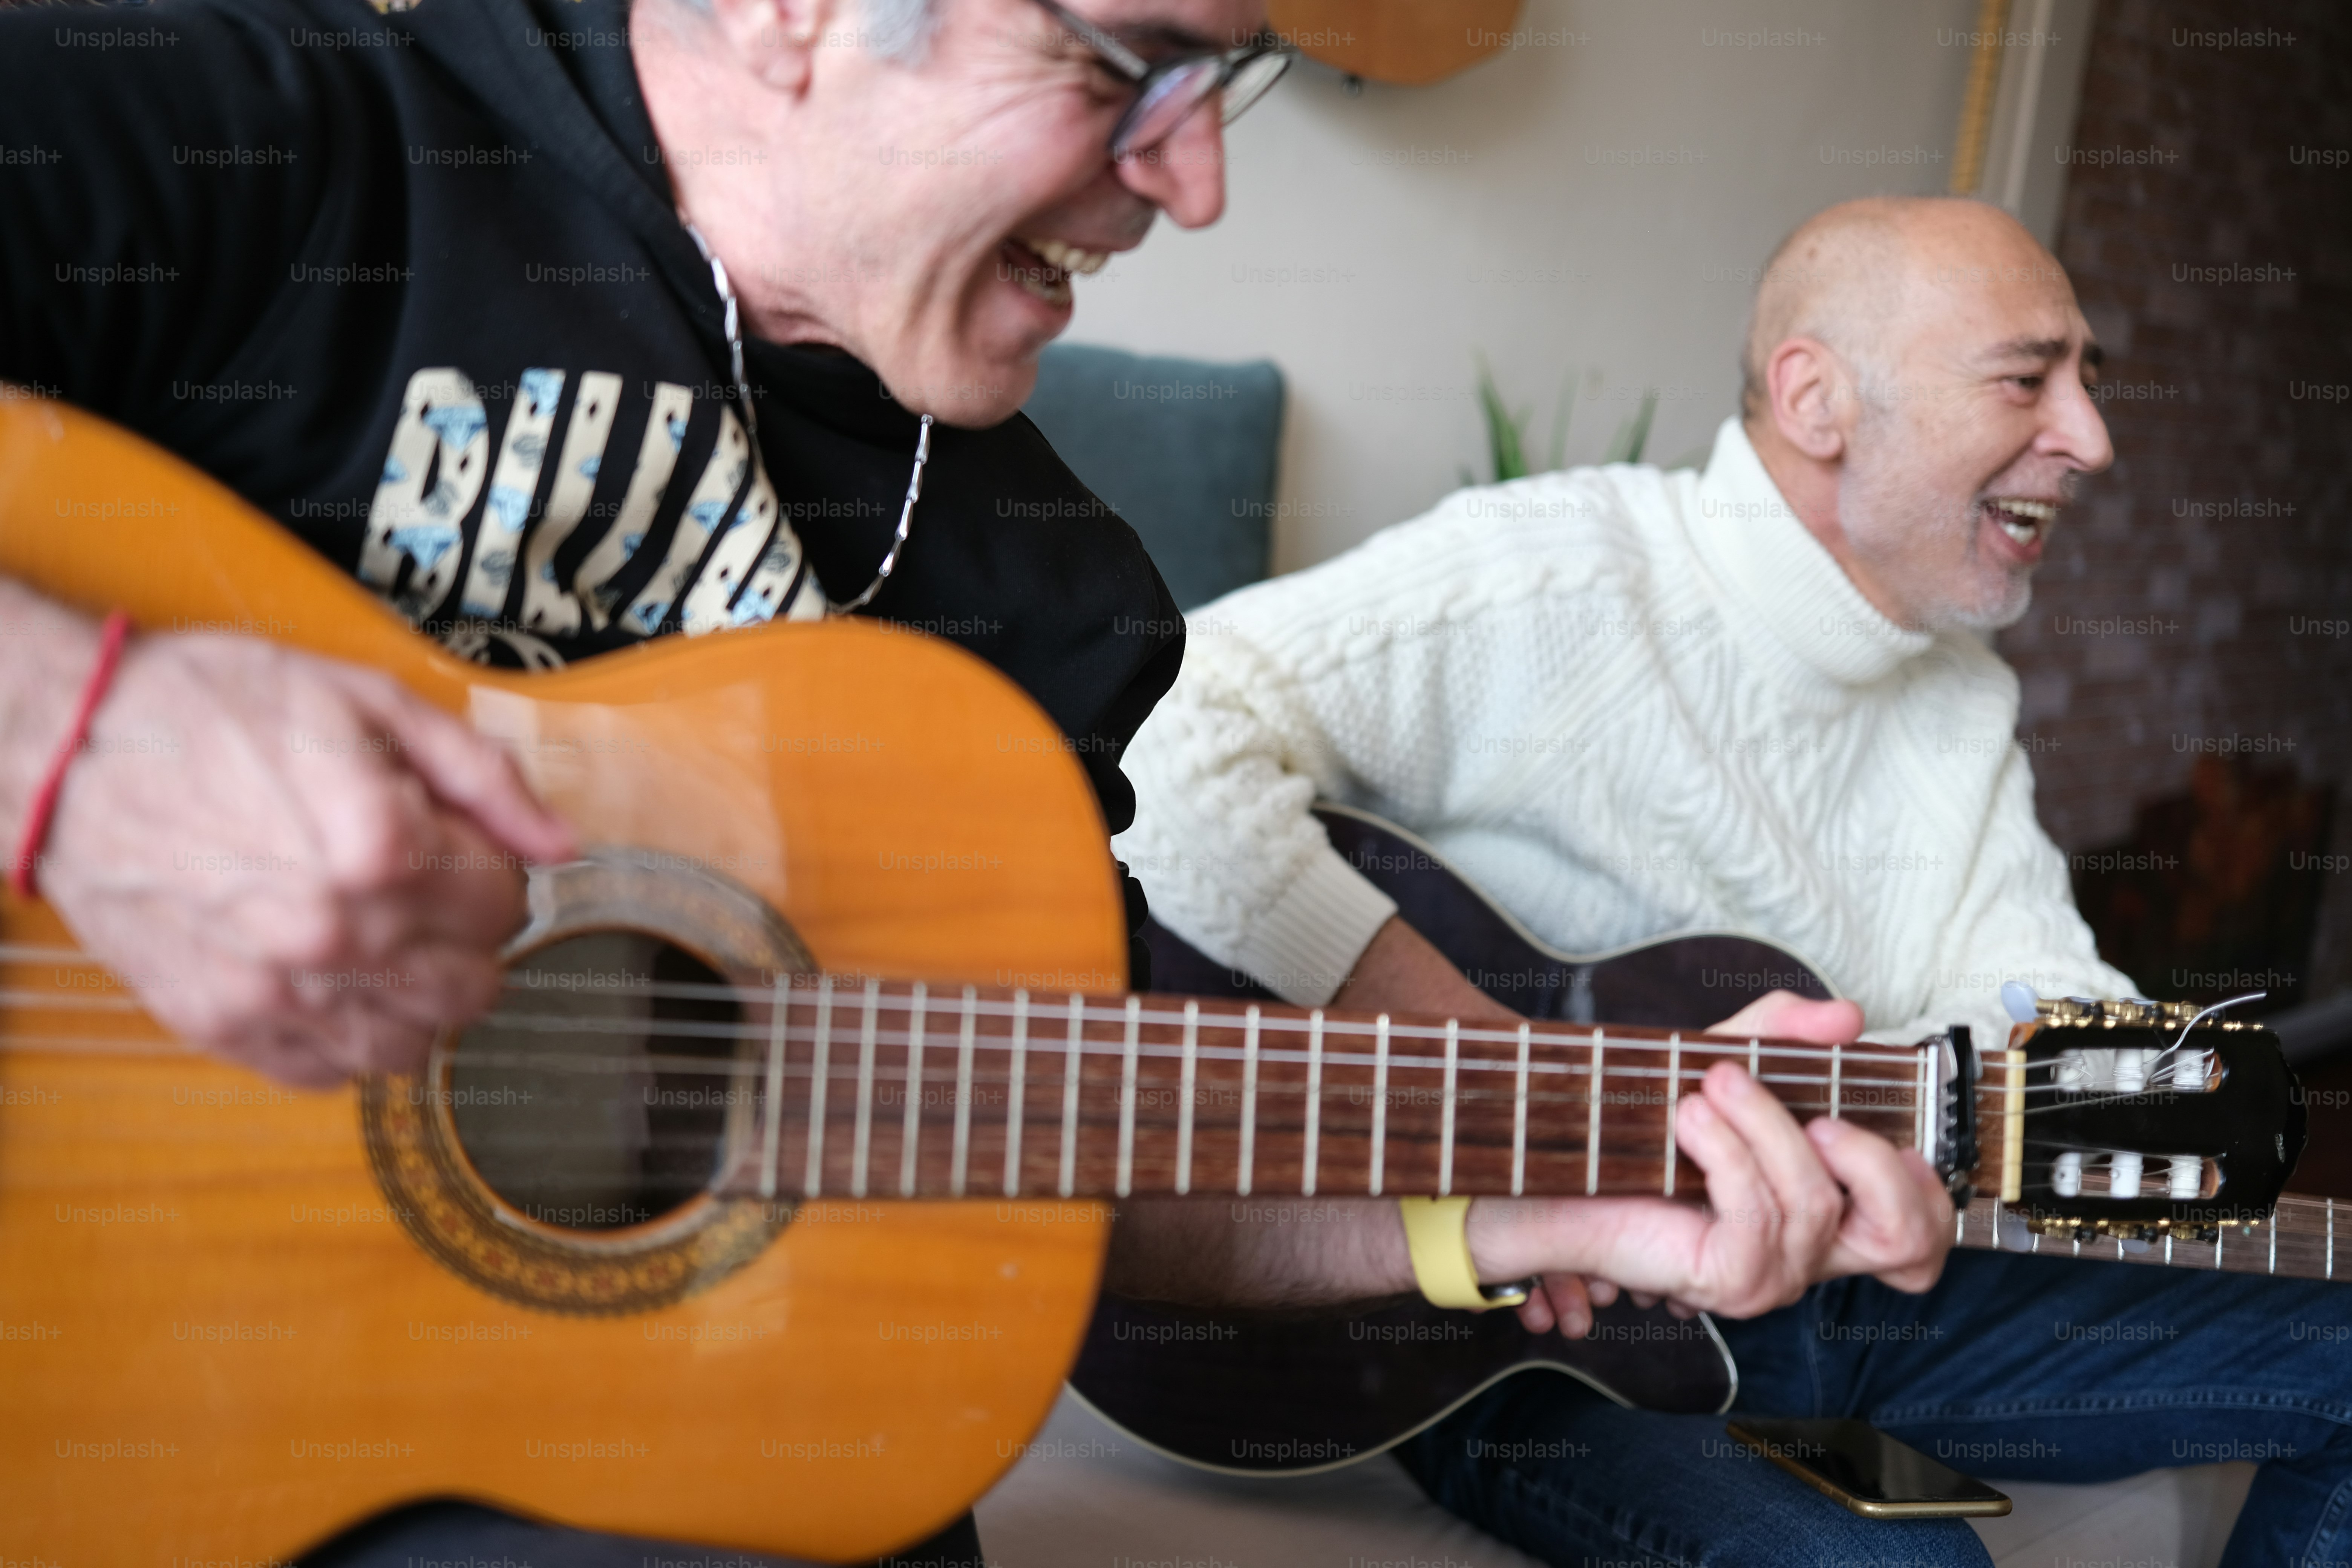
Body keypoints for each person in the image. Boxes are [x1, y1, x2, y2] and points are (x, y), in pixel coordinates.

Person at [2, 1, 1959, 1564]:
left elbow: (1054, 1141)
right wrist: (82, 744)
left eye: (1227, 82)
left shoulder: (1050, 591)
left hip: (681, 1460)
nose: (1193, 184)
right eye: (1129, 65)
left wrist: (1531, 1216)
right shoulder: (266, 138)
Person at [1113, 198, 2352, 1566]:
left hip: (1846, 1295)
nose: (2092, 439)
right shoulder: (1557, 574)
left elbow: (2030, 993)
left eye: (2089, 383)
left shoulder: (1959, 707)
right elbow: (1162, 728)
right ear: (1816, 398)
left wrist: (2006, 1128)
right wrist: (1494, 1071)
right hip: (1538, 1344)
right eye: (2027, 376)